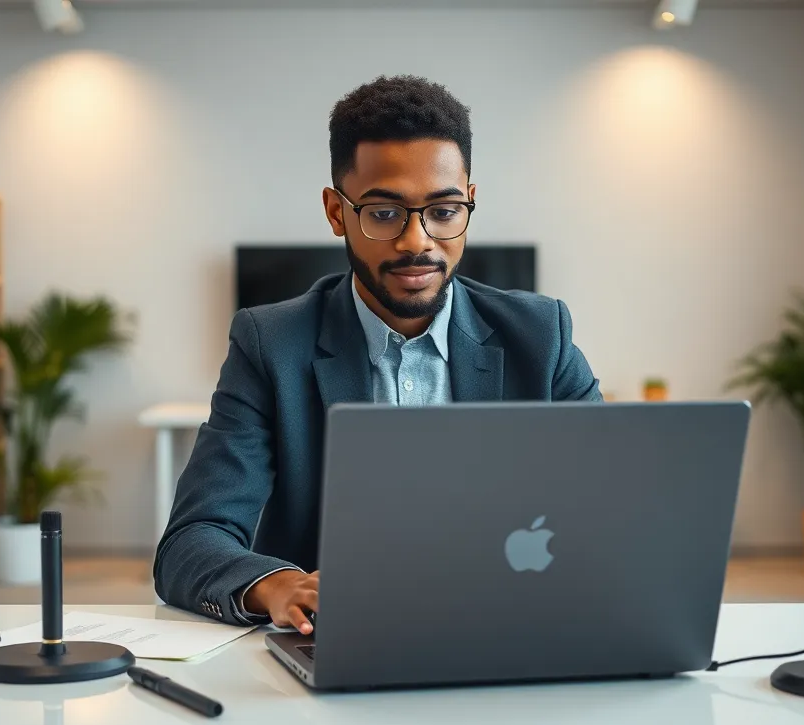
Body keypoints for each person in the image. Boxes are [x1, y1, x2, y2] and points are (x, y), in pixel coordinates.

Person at [153, 74, 601, 632]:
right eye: (384, 213)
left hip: (515, 626)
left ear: (470, 201)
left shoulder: (541, 335)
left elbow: (611, 506)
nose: (417, 241)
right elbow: (191, 541)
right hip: (340, 637)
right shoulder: (270, 345)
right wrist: (276, 584)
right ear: (336, 212)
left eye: (444, 211)